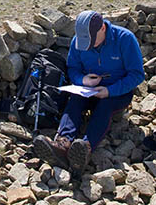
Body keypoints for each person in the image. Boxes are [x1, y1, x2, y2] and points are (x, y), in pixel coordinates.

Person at [33, 10, 145, 172]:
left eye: (92, 40)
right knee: (75, 99)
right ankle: (62, 143)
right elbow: (73, 68)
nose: (88, 45)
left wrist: (109, 91)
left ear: (102, 29)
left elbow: (137, 74)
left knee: (105, 106)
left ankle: (85, 147)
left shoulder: (124, 39)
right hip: (88, 90)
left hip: (117, 93)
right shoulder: (78, 41)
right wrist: (82, 80)